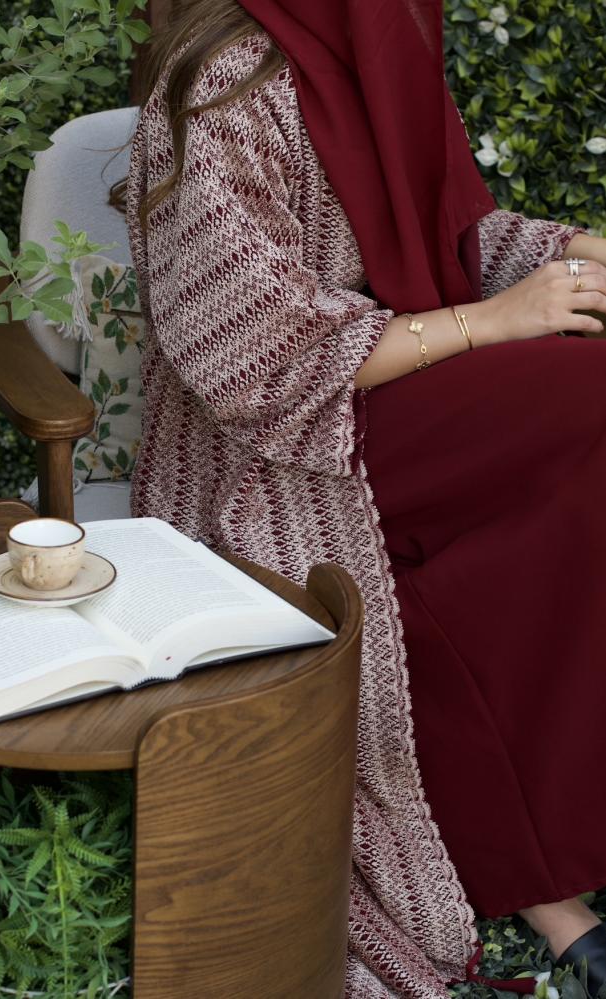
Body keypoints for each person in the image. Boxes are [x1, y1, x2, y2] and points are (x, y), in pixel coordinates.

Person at [123, 0, 606, 995]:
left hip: (401, 395)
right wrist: (494, 323)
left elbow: (449, 241)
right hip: (272, 448)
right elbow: (255, 355)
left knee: (555, 506)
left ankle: (538, 851)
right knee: (586, 405)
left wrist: (576, 254)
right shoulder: (220, 86)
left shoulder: (380, 46)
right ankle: (539, 880)